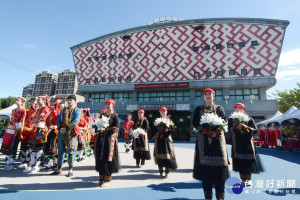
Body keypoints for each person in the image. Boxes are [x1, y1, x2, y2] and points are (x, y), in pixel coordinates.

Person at [192, 88, 229, 200]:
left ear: (214, 96)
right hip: (203, 143)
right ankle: (208, 196)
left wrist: (216, 132)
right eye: (205, 94)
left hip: (218, 142)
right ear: (203, 97)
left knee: (220, 171)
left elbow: (224, 122)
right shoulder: (199, 109)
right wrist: (205, 131)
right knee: (206, 171)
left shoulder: (219, 109)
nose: (208, 96)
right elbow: (195, 123)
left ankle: (220, 196)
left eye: (210, 94)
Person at [228, 103, 264, 187]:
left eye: (240, 108)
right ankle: (243, 179)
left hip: (247, 143)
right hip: (237, 143)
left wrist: (246, 127)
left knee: (248, 161)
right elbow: (229, 130)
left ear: (243, 109)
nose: (237, 109)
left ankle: (249, 179)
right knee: (240, 161)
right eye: (236, 108)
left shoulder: (249, 119)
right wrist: (236, 127)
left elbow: (255, 130)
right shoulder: (231, 119)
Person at [50, 95, 81, 177]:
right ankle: (58, 169)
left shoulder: (77, 110)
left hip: (71, 132)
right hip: (62, 132)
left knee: (71, 151)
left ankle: (70, 169)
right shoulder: (63, 110)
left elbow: (76, 120)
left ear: (75, 101)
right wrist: (60, 128)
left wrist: (67, 128)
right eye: (68, 100)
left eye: (71, 100)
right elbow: (58, 119)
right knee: (60, 150)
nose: (69, 101)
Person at [95, 99, 120, 188]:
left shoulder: (115, 116)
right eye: (106, 104)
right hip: (101, 139)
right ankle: (101, 178)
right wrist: (96, 127)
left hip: (109, 140)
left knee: (107, 158)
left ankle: (107, 179)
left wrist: (106, 130)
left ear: (113, 105)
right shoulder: (102, 115)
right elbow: (98, 126)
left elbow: (116, 128)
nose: (107, 105)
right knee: (100, 157)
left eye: (109, 104)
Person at [25, 95, 51, 173]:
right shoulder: (39, 109)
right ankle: (31, 164)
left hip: (41, 129)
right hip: (36, 129)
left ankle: (37, 166)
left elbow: (39, 118)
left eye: (39, 99)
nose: (37, 100)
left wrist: (36, 119)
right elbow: (33, 119)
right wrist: (35, 119)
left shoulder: (45, 108)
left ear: (43, 100)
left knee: (39, 148)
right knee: (33, 148)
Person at [0, 97, 27, 171]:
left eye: (19, 100)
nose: (17, 100)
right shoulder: (13, 110)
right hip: (10, 127)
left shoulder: (23, 110)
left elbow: (23, 121)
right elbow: (12, 119)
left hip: (17, 128)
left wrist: (21, 129)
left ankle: (11, 164)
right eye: (17, 99)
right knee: (7, 145)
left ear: (22, 103)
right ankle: (8, 163)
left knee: (13, 146)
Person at [153, 107, 177, 178]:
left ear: (166, 112)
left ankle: (167, 172)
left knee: (167, 156)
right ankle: (160, 171)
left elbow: (173, 128)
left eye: (164, 111)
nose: (163, 112)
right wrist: (158, 133)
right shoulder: (157, 120)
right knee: (159, 156)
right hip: (159, 140)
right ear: (159, 112)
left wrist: (166, 134)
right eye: (161, 111)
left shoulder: (169, 120)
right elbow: (153, 129)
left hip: (166, 140)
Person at [19, 102, 38, 169]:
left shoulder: (37, 115)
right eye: (33, 108)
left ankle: (27, 162)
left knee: (30, 148)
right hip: (24, 133)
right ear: (31, 108)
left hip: (32, 133)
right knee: (22, 148)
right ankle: (23, 161)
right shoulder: (26, 113)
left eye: (35, 109)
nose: (34, 110)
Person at [44, 101, 61, 170]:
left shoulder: (58, 113)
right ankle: (52, 163)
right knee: (50, 146)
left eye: (56, 105)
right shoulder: (52, 112)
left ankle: (54, 163)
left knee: (53, 147)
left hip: (55, 131)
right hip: (50, 131)